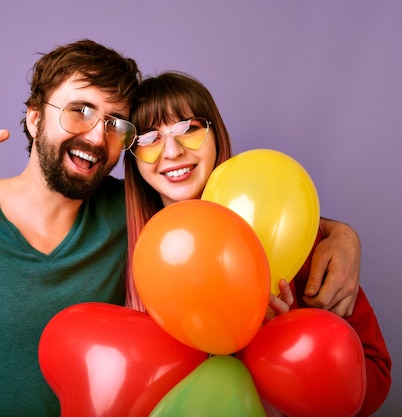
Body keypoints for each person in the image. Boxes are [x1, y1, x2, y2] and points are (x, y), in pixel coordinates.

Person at [0, 40, 362, 415]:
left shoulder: (135, 212)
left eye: (115, 123)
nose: (96, 135)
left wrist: (337, 234)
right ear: (34, 117)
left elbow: (227, 214)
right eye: (79, 109)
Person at [123, 71, 391, 416]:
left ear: (216, 134)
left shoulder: (291, 232)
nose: (172, 151)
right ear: (133, 156)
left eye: (189, 128)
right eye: (149, 138)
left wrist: (283, 338)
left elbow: (374, 376)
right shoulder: (125, 243)